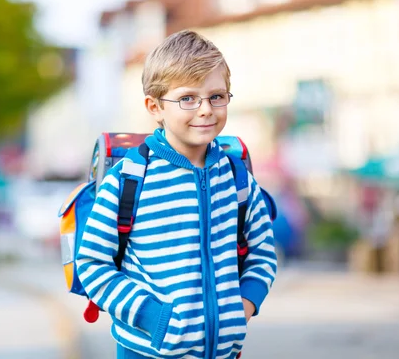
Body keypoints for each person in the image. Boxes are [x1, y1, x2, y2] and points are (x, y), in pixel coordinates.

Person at [76, 30, 277, 359]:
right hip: (145, 351)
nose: (205, 110)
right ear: (155, 107)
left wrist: (243, 308)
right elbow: (92, 263)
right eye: (187, 98)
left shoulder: (239, 179)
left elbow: (262, 255)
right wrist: (154, 318)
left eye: (217, 96)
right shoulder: (128, 180)